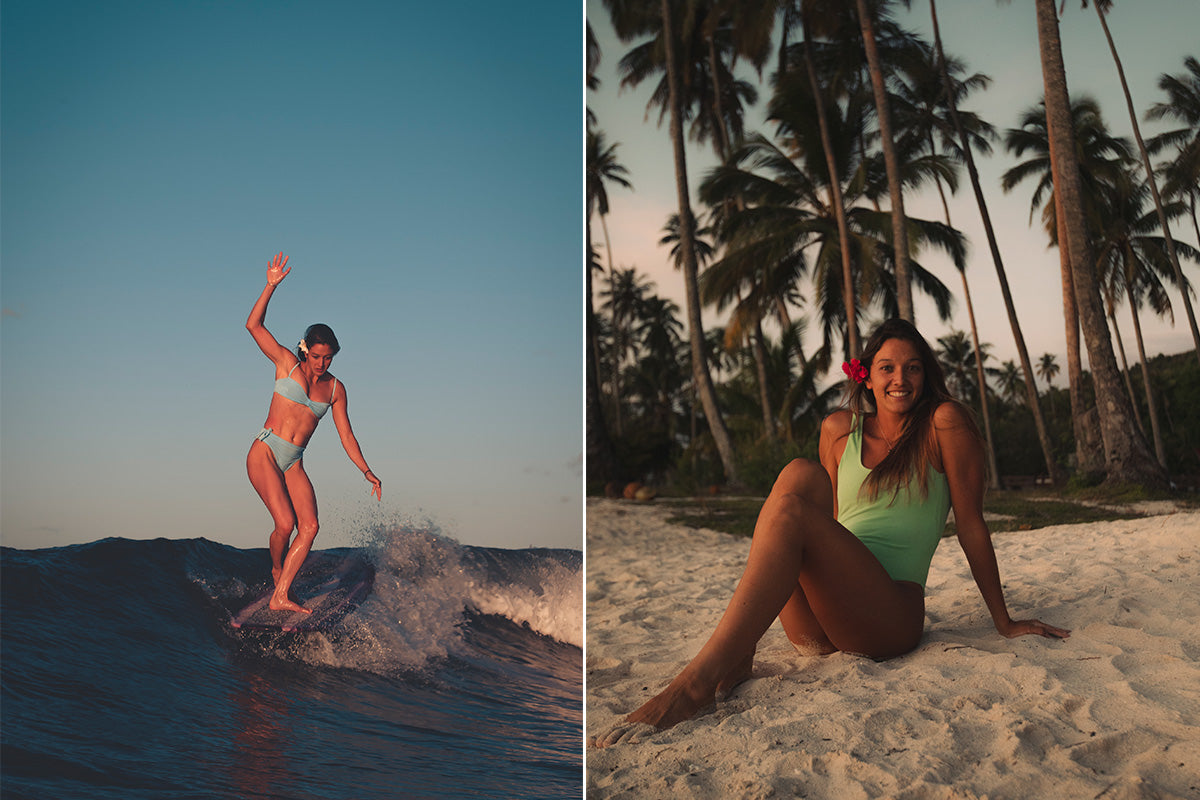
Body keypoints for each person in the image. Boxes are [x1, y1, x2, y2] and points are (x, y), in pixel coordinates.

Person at [613, 319, 1069, 737]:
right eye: (887, 368)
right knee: (797, 474)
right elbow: (828, 525)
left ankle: (694, 686)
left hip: (888, 617)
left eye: (912, 368)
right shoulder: (837, 429)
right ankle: (740, 654)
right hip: (824, 623)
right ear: (866, 376)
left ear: (925, 375)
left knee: (791, 510)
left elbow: (971, 524)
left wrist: (1003, 621)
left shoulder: (943, 425)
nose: (900, 379)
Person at [245, 252, 382, 614]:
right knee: (285, 524)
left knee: (309, 526)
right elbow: (253, 327)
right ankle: (276, 568)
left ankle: (280, 593)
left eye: (329, 358)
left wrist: (366, 470)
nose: (322, 364)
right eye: (317, 356)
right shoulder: (286, 365)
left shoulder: (336, 389)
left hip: (294, 462)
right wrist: (270, 286)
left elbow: (346, 436)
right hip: (266, 452)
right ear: (306, 350)